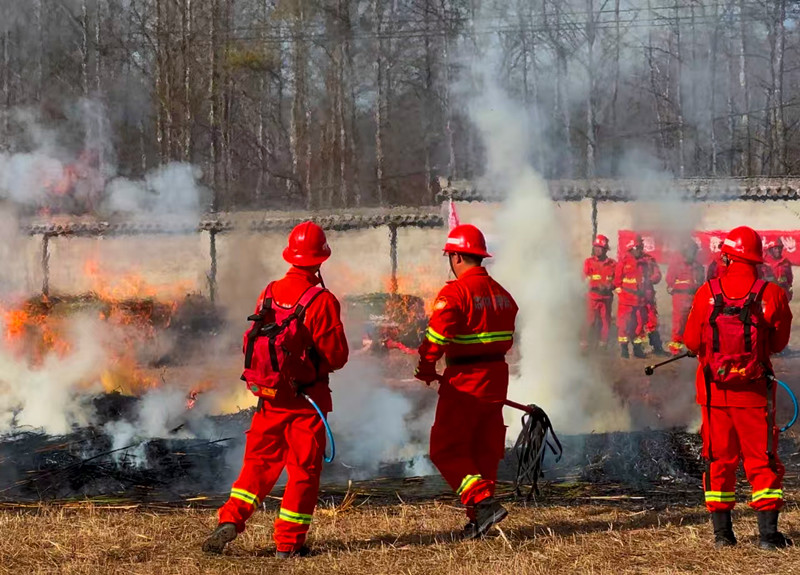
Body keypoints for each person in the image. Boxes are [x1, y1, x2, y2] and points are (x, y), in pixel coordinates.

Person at [203, 221, 349, 558]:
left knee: (257, 463)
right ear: (320, 259)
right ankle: (288, 544)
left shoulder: (269, 291)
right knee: (302, 471)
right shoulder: (322, 301)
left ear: (291, 256)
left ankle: (230, 519)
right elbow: (337, 357)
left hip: (268, 397)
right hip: (306, 402)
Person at [683, 226, 793, 550]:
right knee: (762, 459)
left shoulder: (707, 292)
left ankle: (722, 535)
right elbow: (778, 344)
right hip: (755, 394)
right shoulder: (771, 294)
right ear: (757, 259)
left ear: (727, 256)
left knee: (718, 460)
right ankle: (768, 537)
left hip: (714, 394)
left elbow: (691, 341)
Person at [415, 224, 518, 540]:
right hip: (496, 378)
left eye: (450, 256)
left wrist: (426, 367)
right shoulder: (503, 294)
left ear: (457, 256)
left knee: (445, 449)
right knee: (482, 451)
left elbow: (435, 340)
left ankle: (482, 502)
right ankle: (480, 521)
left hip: (464, 381)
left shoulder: (455, 293)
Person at [615, 236, 659, 358]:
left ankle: (637, 349)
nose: (640, 250)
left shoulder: (645, 262)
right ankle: (624, 348)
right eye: (637, 247)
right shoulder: (624, 261)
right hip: (626, 301)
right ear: (631, 248)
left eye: (641, 247)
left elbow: (652, 277)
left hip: (640, 300)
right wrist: (622, 294)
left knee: (639, 325)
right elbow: (617, 281)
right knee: (624, 324)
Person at [665, 241, 705, 354]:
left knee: (694, 323)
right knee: (679, 323)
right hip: (680, 297)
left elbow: (701, 282)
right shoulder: (677, 265)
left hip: (694, 297)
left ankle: (692, 348)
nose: (692, 254)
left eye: (694, 251)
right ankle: (676, 349)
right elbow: (669, 280)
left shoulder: (698, 266)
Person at [582, 235, 616, 351]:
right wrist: (596, 285)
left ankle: (603, 344)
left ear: (605, 249)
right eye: (596, 247)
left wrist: (610, 286)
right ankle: (585, 343)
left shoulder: (612, 264)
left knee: (606, 321)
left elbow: (617, 280)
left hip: (606, 298)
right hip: (593, 297)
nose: (597, 249)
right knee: (589, 321)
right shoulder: (589, 262)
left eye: (600, 247)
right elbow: (585, 279)